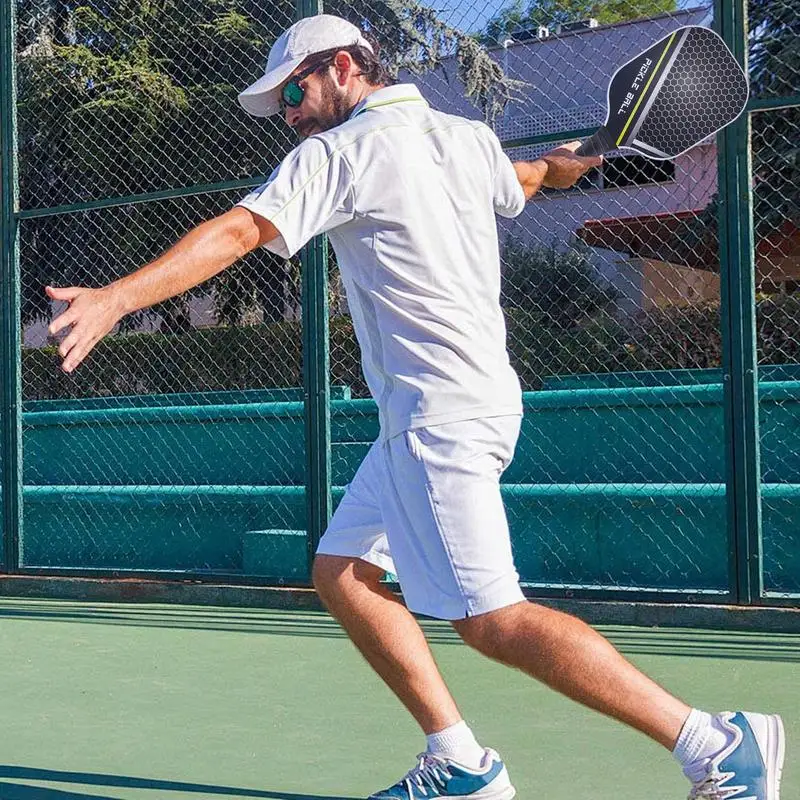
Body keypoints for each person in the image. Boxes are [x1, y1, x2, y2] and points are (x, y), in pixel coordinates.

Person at [47, 14, 785, 800]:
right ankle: (461, 760)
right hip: (468, 403)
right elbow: (523, 181)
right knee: (343, 571)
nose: (290, 112)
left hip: (437, 415)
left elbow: (237, 230)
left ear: (342, 67)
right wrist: (554, 168)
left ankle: (714, 743)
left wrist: (115, 298)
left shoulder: (339, 152)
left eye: (294, 90)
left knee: (491, 619)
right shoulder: (465, 139)